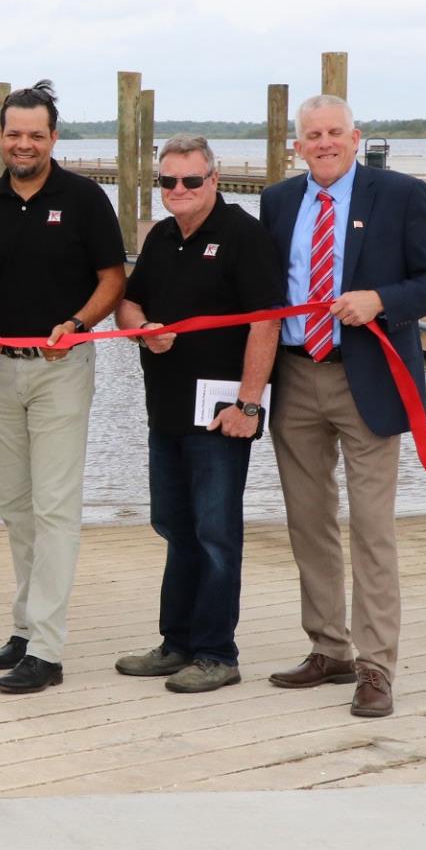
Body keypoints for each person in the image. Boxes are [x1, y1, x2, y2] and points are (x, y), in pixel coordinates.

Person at [260, 95, 426, 718]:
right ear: (297, 145)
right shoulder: (278, 201)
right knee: (308, 521)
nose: (323, 143)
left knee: (372, 529)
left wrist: (381, 299)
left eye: (333, 133)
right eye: (311, 135)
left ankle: (376, 667)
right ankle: (329, 647)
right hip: (295, 377)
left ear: (356, 137)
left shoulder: (399, 195)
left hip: (370, 380)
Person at [0, 80, 126, 694]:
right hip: (0, 367)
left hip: (62, 368)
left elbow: (113, 279)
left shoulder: (84, 199)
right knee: (15, 506)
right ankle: (27, 627)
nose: (23, 143)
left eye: (36, 133)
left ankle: (48, 652)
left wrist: (78, 324)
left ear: (54, 137)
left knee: (55, 508)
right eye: (13, 133)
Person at [112, 135, 283, 693]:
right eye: (168, 182)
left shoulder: (244, 235)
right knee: (175, 528)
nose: (178, 191)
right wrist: (141, 328)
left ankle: (217, 652)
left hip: (221, 414)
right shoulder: (162, 235)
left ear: (215, 179)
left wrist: (249, 404)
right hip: (165, 410)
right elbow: (129, 300)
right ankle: (178, 642)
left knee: (215, 534)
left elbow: (266, 322)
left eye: (191, 180)